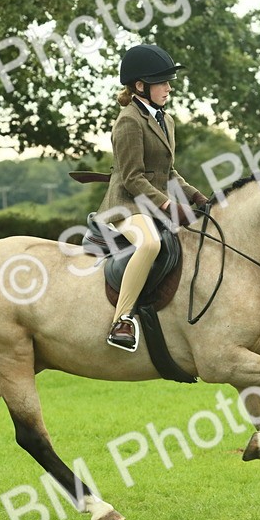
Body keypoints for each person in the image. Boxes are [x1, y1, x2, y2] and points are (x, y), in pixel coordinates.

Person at [97, 44, 209, 351]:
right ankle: (122, 320)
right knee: (150, 243)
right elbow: (133, 177)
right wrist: (168, 205)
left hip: (152, 205)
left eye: (168, 82)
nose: (169, 88)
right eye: (163, 82)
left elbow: (168, 172)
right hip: (126, 206)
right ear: (140, 86)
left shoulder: (166, 120)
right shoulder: (129, 121)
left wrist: (197, 197)